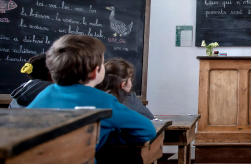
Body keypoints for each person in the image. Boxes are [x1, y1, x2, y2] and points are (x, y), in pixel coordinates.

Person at [27, 34, 156, 152]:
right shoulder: (104, 101)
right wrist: (102, 137)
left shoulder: (43, 95)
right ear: (96, 72)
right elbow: (147, 130)